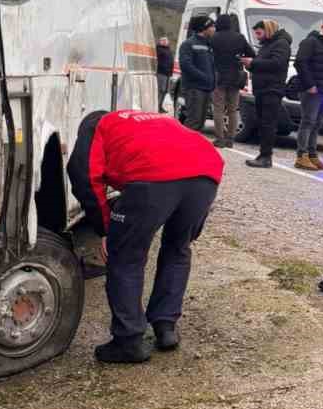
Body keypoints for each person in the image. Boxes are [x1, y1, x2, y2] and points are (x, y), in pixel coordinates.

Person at [67, 108, 224, 364]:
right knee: (178, 247)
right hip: (206, 172)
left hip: (153, 177)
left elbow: (83, 177)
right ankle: (166, 327)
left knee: (126, 257)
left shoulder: (96, 126)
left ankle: (128, 342)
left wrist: (104, 228)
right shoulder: (147, 120)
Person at [292, 13, 323, 171]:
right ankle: (301, 156)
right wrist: (310, 84)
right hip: (313, 91)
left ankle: (312, 156)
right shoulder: (311, 42)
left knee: (317, 124)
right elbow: (300, 62)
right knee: (308, 122)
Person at [245, 19, 292, 169]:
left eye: (259, 33)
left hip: (272, 89)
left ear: (268, 30)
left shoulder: (281, 44)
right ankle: (262, 154)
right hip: (262, 89)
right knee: (263, 122)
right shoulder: (267, 45)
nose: (257, 37)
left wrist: (253, 63)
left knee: (268, 123)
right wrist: (250, 65)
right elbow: (263, 65)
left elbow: (277, 64)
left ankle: (266, 156)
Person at [209, 12, 255, 149]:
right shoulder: (239, 37)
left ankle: (219, 139)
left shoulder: (214, 38)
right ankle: (230, 139)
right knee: (233, 110)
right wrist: (239, 57)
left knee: (218, 108)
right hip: (235, 77)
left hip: (218, 77)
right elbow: (251, 54)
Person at [178, 15, 216, 132]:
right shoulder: (188, 44)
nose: (214, 29)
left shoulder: (209, 44)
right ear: (203, 28)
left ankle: (191, 148)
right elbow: (186, 65)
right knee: (193, 120)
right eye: (212, 26)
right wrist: (204, 77)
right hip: (194, 88)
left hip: (207, 88)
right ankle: (181, 147)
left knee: (200, 122)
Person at [155, 36, 174, 111]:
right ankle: (157, 106)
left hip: (168, 73)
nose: (164, 41)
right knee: (161, 90)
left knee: (165, 91)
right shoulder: (158, 49)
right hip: (161, 72)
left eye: (166, 40)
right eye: (162, 40)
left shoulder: (168, 49)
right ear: (159, 42)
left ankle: (160, 106)